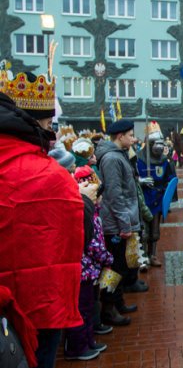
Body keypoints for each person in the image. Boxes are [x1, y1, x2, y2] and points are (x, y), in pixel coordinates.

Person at [0, 69, 84, 368]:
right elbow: (73, 236)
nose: (54, 133)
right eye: (50, 125)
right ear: (34, 123)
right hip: (39, 303)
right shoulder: (47, 174)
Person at [64, 167, 112, 361]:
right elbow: (93, 244)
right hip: (83, 270)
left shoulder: (93, 213)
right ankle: (77, 346)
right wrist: (107, 258)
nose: (99, 198)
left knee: (90, 305)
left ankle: (88, 339)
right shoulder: (87, 216)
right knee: (82, 308)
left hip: (90, 270)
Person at [95, 119, 139, 327]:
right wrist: (124, 224)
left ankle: (118, 301)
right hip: (115, 223)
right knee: (114, 267)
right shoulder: (112, 159)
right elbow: (114, 194)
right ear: (120, 136)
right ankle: (108, 308)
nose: (133, 138)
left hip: (121, 220)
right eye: (130, 135)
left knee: (120, 264)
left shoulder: (119, 155)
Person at [136, 121, 175, 267]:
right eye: (155, 142)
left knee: (155, 231)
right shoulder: (139, 158)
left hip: (158, 198)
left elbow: (170, 179)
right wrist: (141, 180)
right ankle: (144, 257)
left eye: (160, 142)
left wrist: (166, 189)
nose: (158, 145)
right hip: (145, 197)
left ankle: (153, 255)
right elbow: (132, 178)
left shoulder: (164, 161)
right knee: (144, 231)